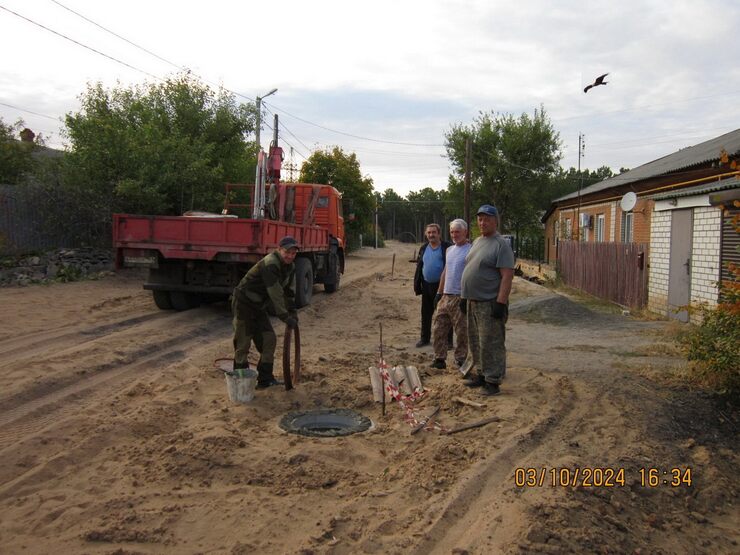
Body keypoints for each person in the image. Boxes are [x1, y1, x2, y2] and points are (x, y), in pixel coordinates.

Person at [460, 205, 515, 396]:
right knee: (476, 342)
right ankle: (481, 375)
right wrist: (463, 296)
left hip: (490, 302)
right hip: (473, 301)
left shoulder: (501, 245)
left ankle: (493, 382)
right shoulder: (477, 241)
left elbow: (507, 276)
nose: (483, 223)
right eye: (480, 219)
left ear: (495, 221)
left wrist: (500, 302)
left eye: (487, 219)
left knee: (491, 342)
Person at [231, 236, 300, 389]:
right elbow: (275, 292)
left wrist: (293, 310)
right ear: (279, 249)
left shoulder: (290, 267)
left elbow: (288, 291)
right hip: (244, 304)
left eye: (293, 253)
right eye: (287, 252)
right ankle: (242, 383)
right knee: (243, 343)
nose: (290, 256)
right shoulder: (270, 264)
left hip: (258, 307)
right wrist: (284, 316)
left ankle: (265, 379)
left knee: (269, 339)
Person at [431, 219, 471, 369]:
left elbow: (471, 275)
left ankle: (461, 359)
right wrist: (439, 293)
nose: (454, 235)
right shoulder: (449, 250)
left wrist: (466, 296)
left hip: (460, 296)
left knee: (461, 331)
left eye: (457, 232)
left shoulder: (470, 250)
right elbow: (445, 271)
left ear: (465, 232)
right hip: (446, 295)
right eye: (452, 232)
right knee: (438, 327)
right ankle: (439, 359)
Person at [413, 223, 451, 348]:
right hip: (426, 285)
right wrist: (418, 285)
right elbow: (420, 267)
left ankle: (448, 341)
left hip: (443, 286)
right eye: (429, 233)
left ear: (439, 233)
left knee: (445, 315)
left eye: (434, 232)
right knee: (426, 313)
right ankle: (425, 339)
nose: (431, 235)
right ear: (426, 234)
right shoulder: (423, 248)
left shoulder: (447, 248)